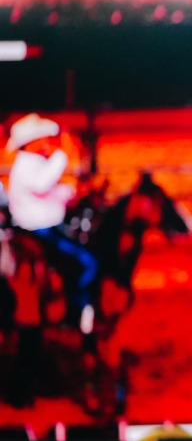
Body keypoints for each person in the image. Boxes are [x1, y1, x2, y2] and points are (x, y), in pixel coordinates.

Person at [4, 113, 97, 334]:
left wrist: (74, 192)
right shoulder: (27, 167)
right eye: (42, 139)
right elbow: (43, 184)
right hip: (39, 231)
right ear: (30, 143)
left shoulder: (31, 165)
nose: (47, 143)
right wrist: (62, 155)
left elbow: (51, 191)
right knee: (87, 262)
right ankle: (77, 310)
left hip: (45, 227)